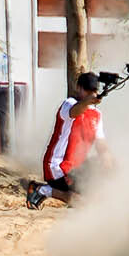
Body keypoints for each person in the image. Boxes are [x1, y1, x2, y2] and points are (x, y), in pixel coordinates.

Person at [25, 72, 108, 208]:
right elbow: (75, 111)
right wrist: (88, 101)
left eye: (93, 91)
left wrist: (108, 160)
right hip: (57, 166)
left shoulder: (96, 114)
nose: (90, 94)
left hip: (77, 167)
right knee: (83, 202)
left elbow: (101, 143)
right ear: (78, 88)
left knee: (101, 190)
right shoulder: (69, 104)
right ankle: (41, 190)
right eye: (87, 90)